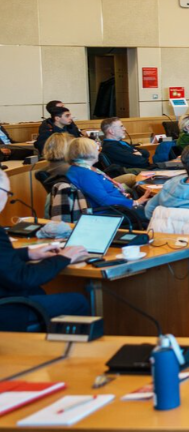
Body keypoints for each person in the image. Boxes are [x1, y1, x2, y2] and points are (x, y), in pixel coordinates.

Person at [0, 169, 91, 331]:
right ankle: (68, 355)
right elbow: (22, 277)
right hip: (5, 311)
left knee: (36, 291)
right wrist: (63, 257)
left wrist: (28, 253)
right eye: (8, 192)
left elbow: (4, 260)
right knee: (77, 302)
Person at [64, 138, 152, 224]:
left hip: (116, 207)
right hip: (110, 212)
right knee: (154, 211)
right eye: (96, 149)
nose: (99, 151)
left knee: (153, 205)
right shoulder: (85, 174)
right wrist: (135, 202)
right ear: (87, 152)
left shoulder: (80, 169)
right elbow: (104, 200)